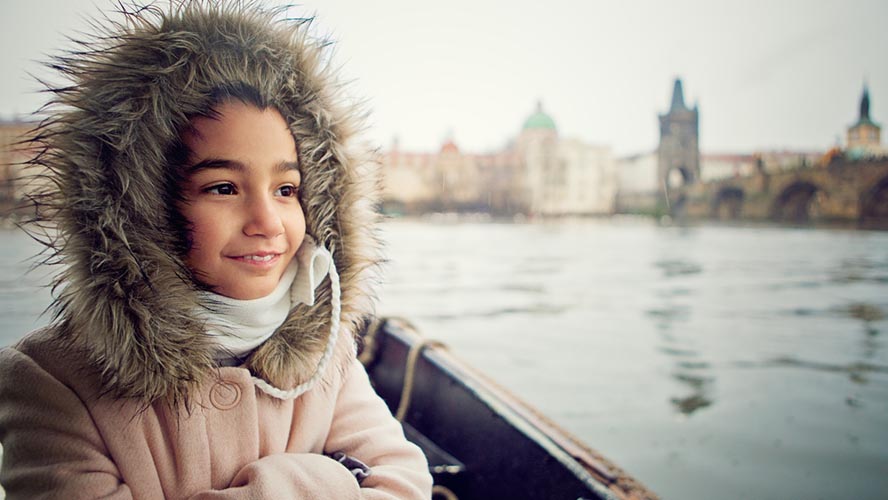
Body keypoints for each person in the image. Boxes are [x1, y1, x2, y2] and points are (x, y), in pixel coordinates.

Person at [0, 1, 432, 498]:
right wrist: (332, 480)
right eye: (223, 188)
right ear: (144, 206)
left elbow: (403, 484)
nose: (267, 223)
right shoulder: (51, 381)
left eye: (287, 190)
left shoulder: (324, 354)